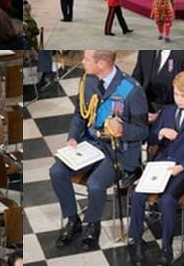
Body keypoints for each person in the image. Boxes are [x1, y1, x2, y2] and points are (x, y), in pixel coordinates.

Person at [50, 50, 148, 250]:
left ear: (102, 63)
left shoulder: (132, 90)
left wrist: (123, 130)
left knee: (95, 184)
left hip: (117, 150)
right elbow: (80, 114)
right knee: (56, 171)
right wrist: (72, 138)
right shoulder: (88, 81)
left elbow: (143, 131)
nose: (82, 62)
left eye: (86, 59)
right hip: (91, 144)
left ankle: (92, 225)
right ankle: (73, 220)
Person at [128, 71, 184, 266]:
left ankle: (166, 247)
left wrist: (181, 167)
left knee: (167, 200)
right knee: (137, 195)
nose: (178, 99)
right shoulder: (167, 111)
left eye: (183, 95)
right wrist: (161, 133)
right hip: (161, 164)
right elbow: (152, 138)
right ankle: (137, 241)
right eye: (176, 94)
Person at [132, 50, 184, 118]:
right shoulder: (145, 51)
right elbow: (135, 79)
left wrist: (161, 115)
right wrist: (121, 95)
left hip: (170, 113)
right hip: (144, 107)